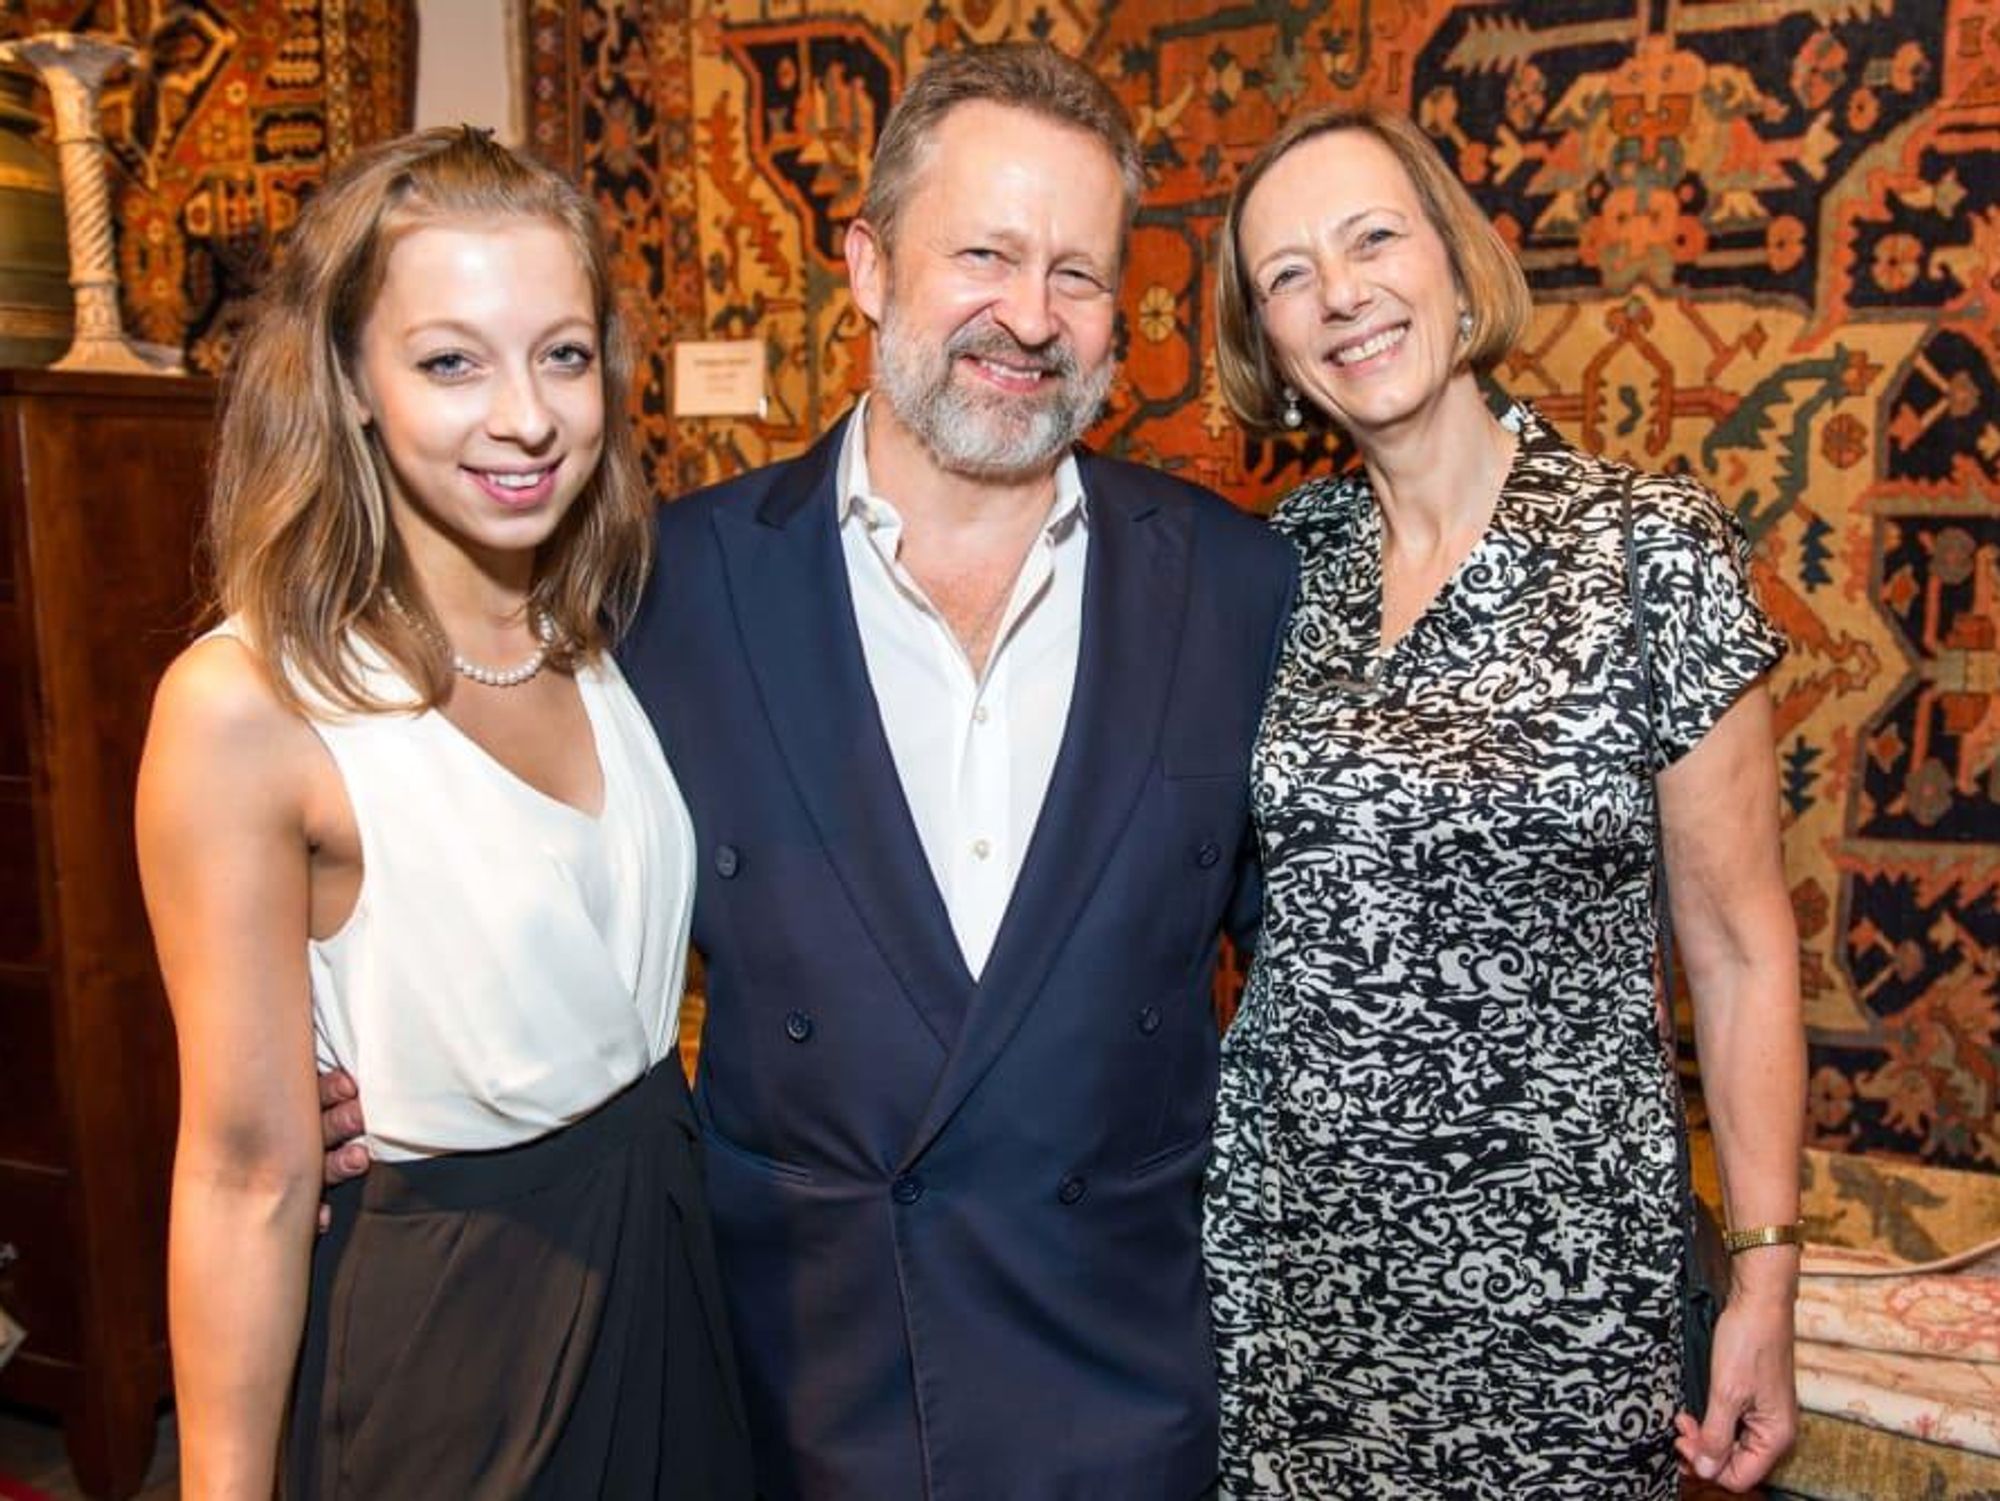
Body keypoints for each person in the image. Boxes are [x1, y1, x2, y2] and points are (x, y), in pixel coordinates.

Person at [310, 43, 1293, 1501]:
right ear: (869, 265)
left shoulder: (1233, 584)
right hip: (794, 1378)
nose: (1030, 317)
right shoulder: (670, 587)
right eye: (983, 253)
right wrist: (335, 1031)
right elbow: (506, 838)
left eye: (1079, 274)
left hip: (1126, 1380)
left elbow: (1329, 967)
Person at [136, 127, 751, 1499]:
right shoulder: (250, 703)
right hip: (454, 1345)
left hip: (665, 1275)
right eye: (451, 360)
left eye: (564, 353)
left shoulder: (606, 632)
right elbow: (242, 1176)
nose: (526, 415)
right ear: (352, 378)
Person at [1201, 102, 1805, 1498]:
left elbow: (1740, 943)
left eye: (1371, 240)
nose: (1341, 292)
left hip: (1562, 1296)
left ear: (1458, 264)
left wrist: (1767, 1275)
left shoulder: (1651, 551)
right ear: (1272, 346)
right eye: (1289, 274)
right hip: (1294, 1280)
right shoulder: (1269, 576)